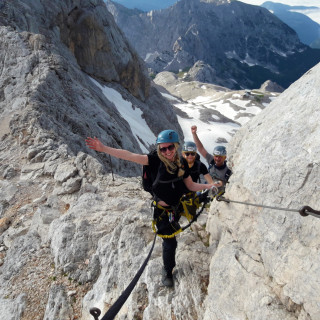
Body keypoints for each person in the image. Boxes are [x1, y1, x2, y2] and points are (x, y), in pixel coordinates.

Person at [85, 130, 219, 287]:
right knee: (170, 243)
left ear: (176, 146)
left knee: (173, 236)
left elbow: (190, 185)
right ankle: (167, 271)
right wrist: (104, 148)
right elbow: (129, 155)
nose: (167, 151)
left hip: (175, 207)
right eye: (163, 149)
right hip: (162, 211)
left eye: (170, 147)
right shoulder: (154, 160)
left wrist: (208, 186)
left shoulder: (181, 162)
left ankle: (168, 268)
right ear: (159, 149)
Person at [191, 125, 232, 191]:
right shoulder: (211, 160)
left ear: (225, 157)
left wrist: (215, 184)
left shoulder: (228, 170)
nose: (217, 159)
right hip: (206, 189)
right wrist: (194, 134)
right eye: (216, 156)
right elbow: (200, 148)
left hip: (217, 193)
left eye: (220, 157)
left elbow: (223, 183)